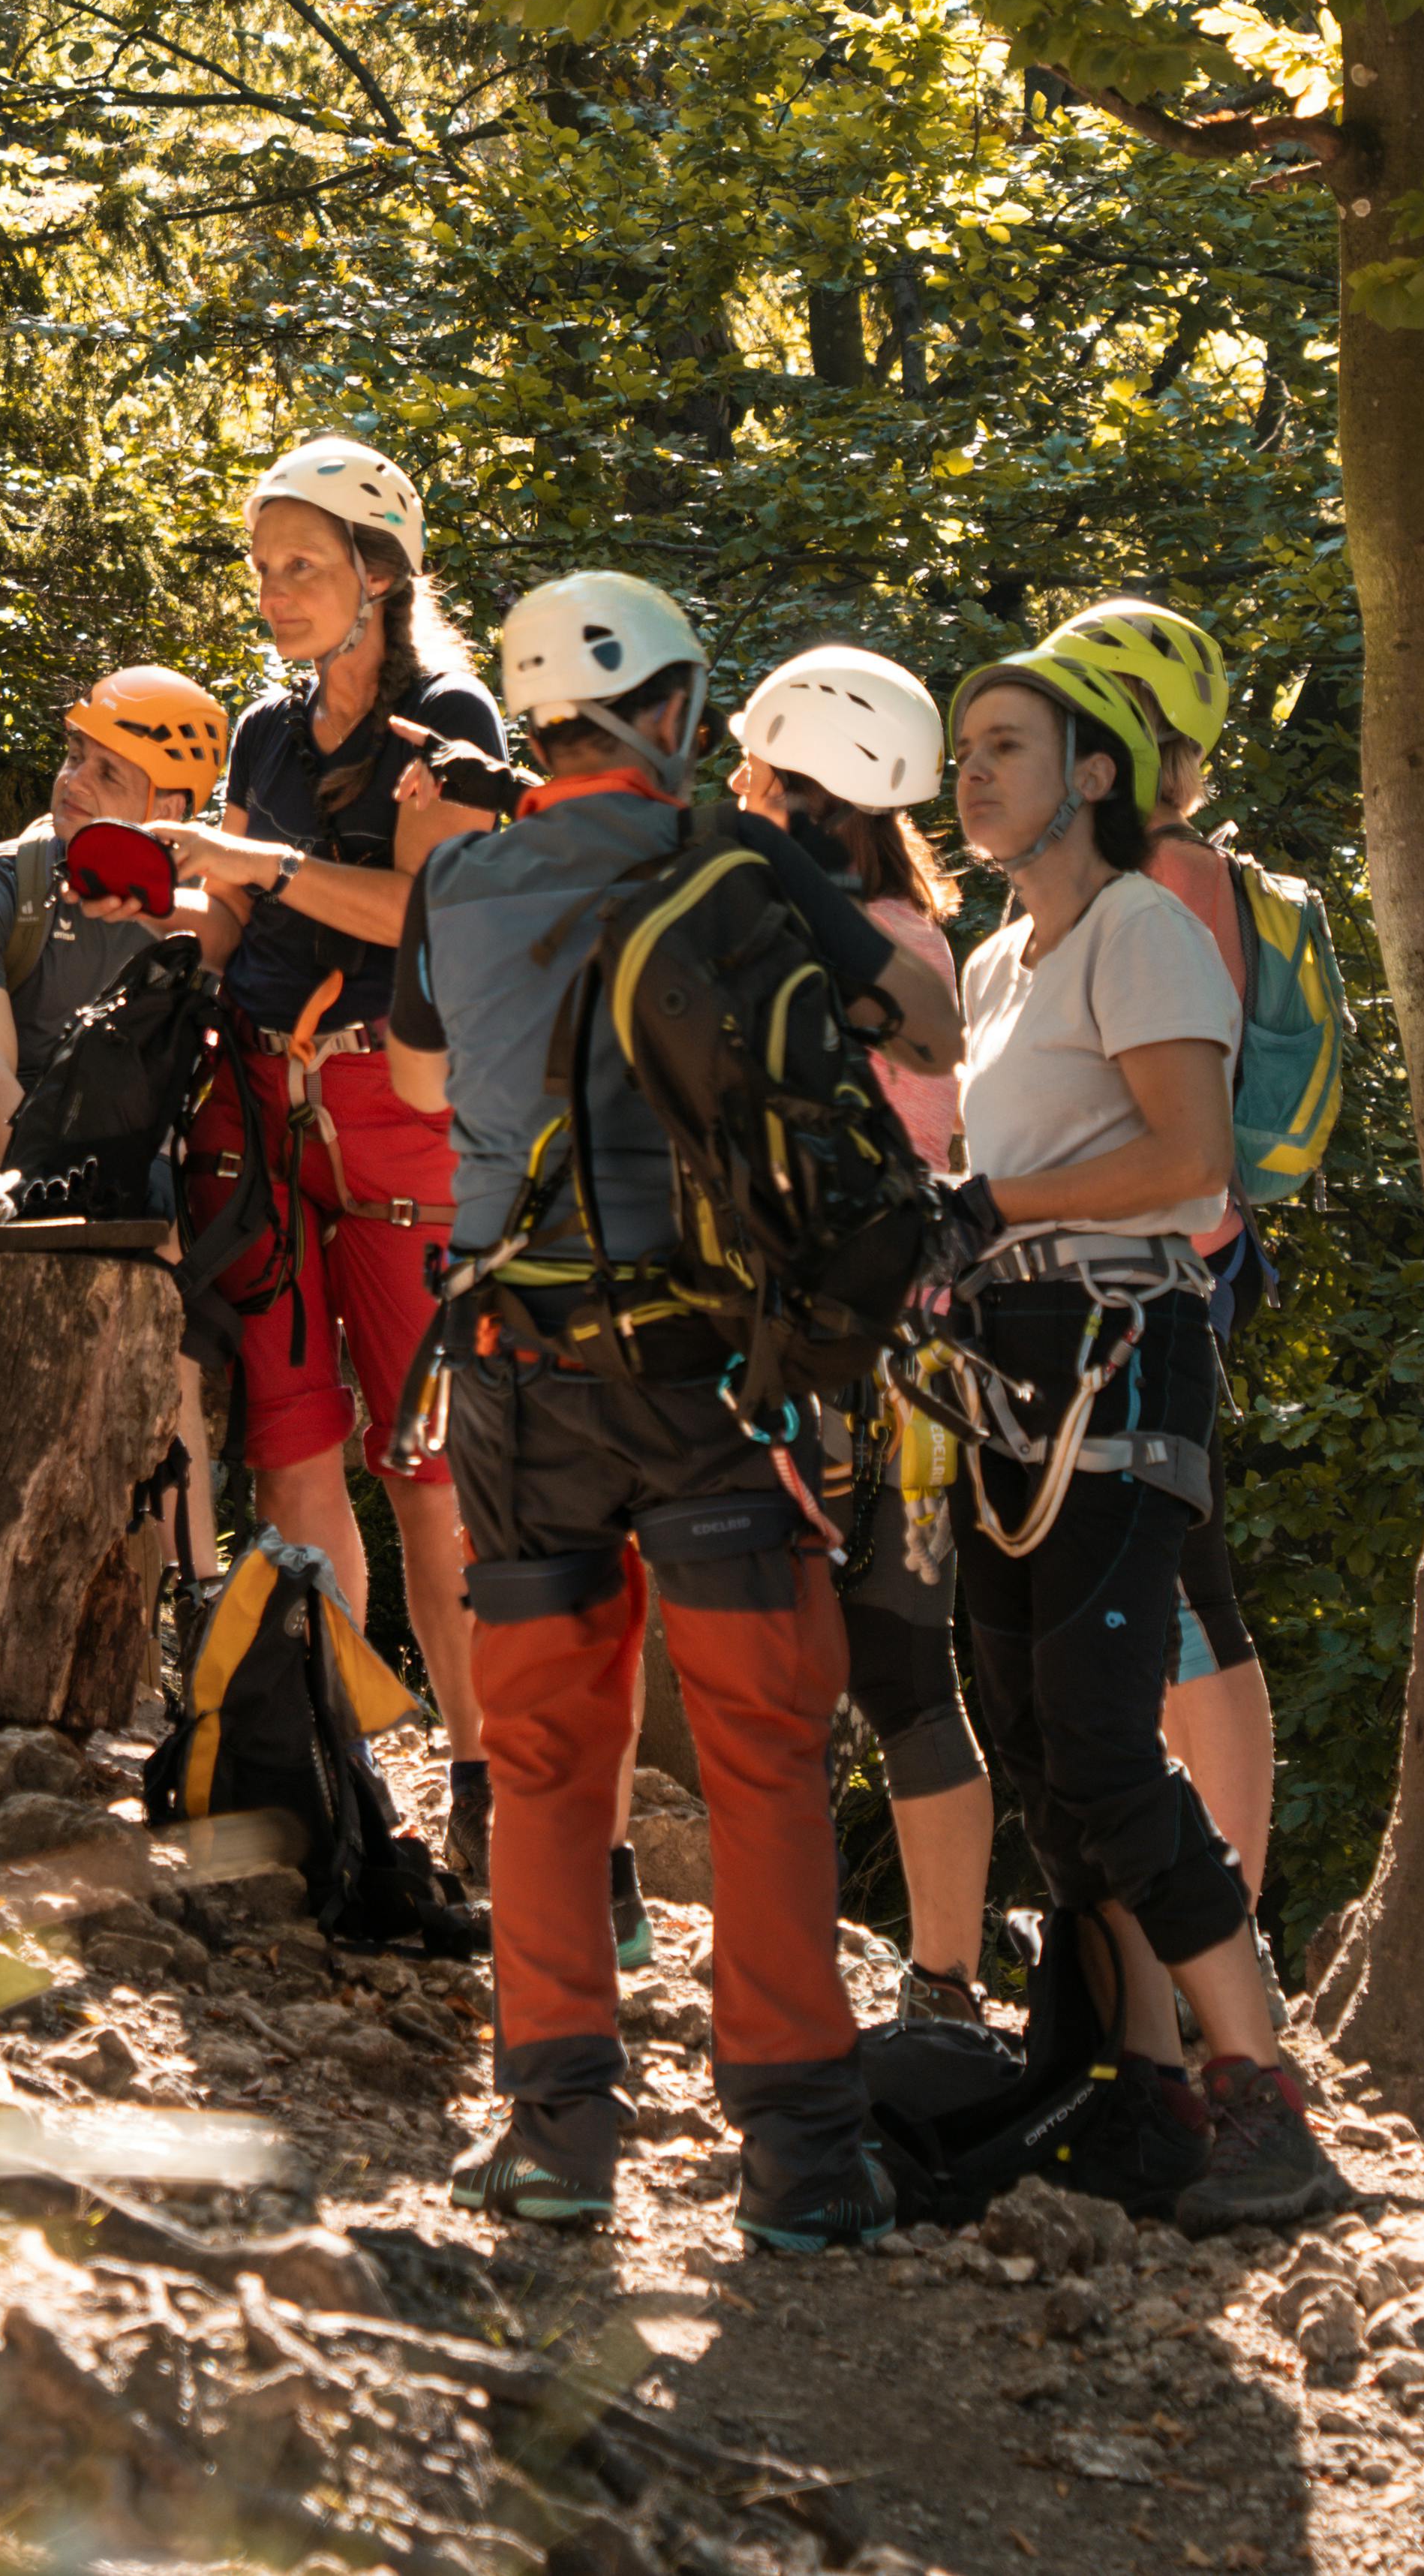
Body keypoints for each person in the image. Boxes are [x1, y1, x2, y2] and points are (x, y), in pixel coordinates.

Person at [389, 574, 961, 2248]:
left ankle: (560, 2132)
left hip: (516, 1371)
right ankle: (797, 2150)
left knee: (552, 1750)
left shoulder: (463, 873)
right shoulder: (732, 856)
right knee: (763, 1749)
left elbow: (423, 1079)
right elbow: (927, 1024)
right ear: (675, 714)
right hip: (716, 1378)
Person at [933, 631, 1349, 2226]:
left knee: (1106, 1740)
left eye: (1009, 748)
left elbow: (1185, 1168)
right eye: (965, 748)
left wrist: (986, 1206)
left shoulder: (1141, 934)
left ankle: (1260, 2096)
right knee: (1038, 1746)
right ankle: (1134, 2080)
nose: (972, 774)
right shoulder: (998, 966)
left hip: (1123, 1349)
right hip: (1018, 1360)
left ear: (1093, 772)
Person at [166, 437, 502, 1842]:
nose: (273, 593)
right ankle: (332, 1758)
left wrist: (264, 868)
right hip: (257, 1104)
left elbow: (430, 913)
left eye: (301, 565)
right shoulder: (263, 732)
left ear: (381, 573)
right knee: (296, 1449)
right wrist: (169, 911)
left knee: (426, 1467)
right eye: (260, 566)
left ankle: (483, 1775)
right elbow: (232, 918)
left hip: (396, 1113)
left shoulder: (452, 722)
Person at [728, 642, 994, 2030]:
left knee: (770, 1676)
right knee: (907, 1674)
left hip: (789, 1355)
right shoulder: (916, 941)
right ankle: (942, 1983)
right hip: (919, 1358)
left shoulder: (764, 935)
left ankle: (776, 1981)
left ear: (781, 773)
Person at [1036, 596, 1278, 1910]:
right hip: (1133, 1266)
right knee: (1166, 1577)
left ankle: (1217, 1915)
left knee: (1183, 1581)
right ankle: (1187, 1906)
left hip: (1154, 1272)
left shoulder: (1169, 878)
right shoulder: (1166, 874)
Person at [0, 665, 235, 1184]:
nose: (74, 780)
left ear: (170, 808)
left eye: (108, 773)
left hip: (143, 1173)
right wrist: (58, 1197)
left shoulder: (202, 918)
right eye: (74, 757)